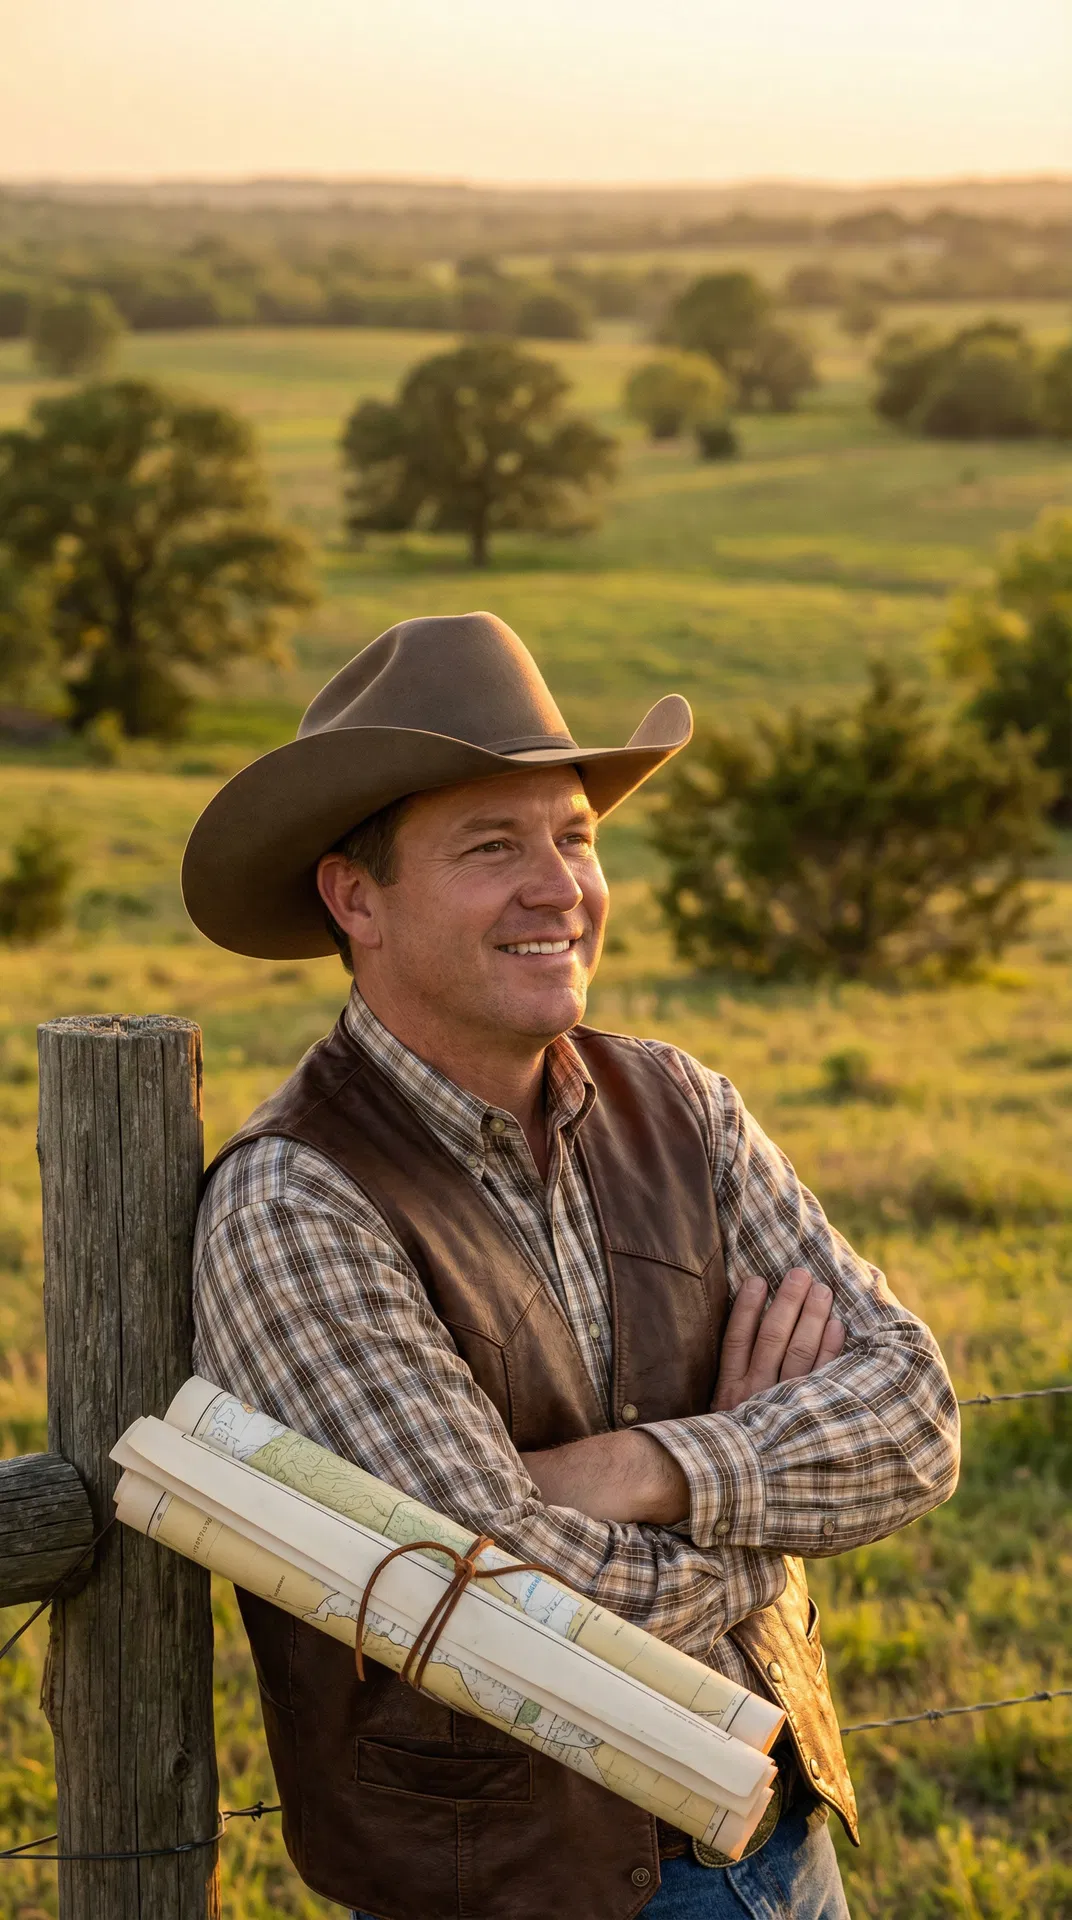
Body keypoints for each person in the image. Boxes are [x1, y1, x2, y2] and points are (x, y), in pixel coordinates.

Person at [185, 612, 960, 1920]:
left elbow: (917, 1416)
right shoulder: (296, 1198)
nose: (560, 887)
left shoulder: (680, 1105)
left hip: (786, 1848)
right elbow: (489, 1606)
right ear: (355, 897)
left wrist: (647, 1466)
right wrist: (764, 1514)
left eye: (575, 836)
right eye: (494, 847)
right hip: (519, 1895)